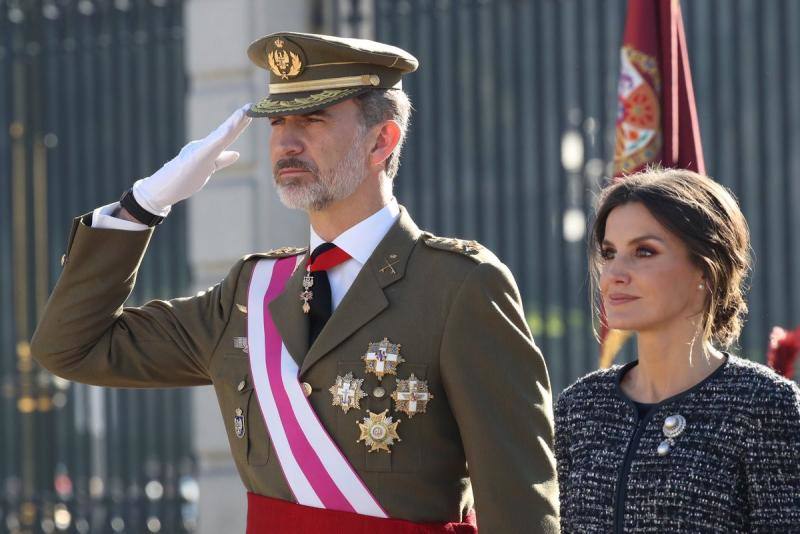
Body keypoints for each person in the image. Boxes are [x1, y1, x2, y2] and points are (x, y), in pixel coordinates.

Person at [31, 32, 559, 533]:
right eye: (277, 122)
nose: (286, 141)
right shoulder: (251, 291)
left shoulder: (458, 287)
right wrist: (142, 207)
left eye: (311, 119)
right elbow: (70, 348)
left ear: (382, 141)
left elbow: (518, 500)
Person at [555, 168, 800, 533]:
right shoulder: (580, 406)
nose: (613, 274)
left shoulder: (763, 405)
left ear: (705, 268)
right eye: (609, 253)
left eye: (644, 251)